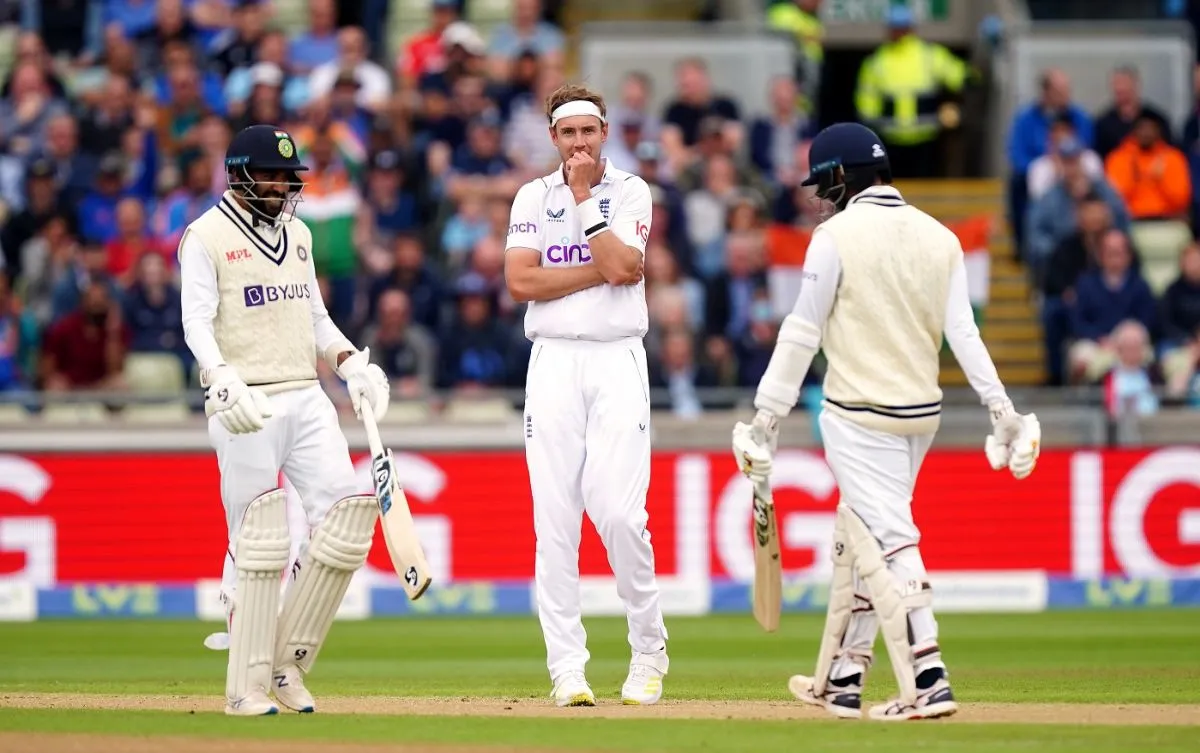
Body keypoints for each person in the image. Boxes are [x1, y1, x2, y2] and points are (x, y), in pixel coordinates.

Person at [730, 123, 1041, 721]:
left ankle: (929, 677)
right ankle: (844, 679)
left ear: (844, 177)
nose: (822, 197)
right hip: (920, 416)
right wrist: (1002, 412)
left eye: (825, 184)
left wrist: (765, 418)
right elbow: (965, 335)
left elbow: (801, 330)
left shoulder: (834, 236)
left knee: (892, 543)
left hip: (856, 414)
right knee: (863, 538)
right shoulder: (942, 238)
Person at [179, 124, 390, 716]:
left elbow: (316, 318)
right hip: (245, 401)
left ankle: (285, 664)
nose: (283, 186)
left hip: (307, 396)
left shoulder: (297, 232)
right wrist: (221, 376)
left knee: (345, 526)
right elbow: (196, 320)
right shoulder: (205, 236)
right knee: (258, 540)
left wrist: (351, 364)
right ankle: (243, 684)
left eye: (288, 176)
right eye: (272, 174)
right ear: (241, 174)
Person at [503, 83, 667, 707]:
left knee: (623, 516)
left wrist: (584, 203)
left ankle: (649, 648)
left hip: (617, 356)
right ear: (553, 137)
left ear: (604, 133)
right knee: (555, 524)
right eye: (567, 134)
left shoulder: (630, 190)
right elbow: (521, 280)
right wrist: (601, 266)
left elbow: (626, 268)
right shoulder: (529, 196)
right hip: (553, 362)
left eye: (588, 132)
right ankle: (567, 668)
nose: (579, 144)